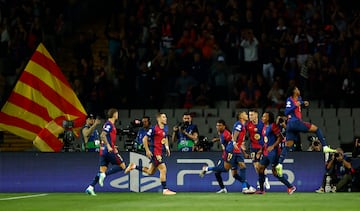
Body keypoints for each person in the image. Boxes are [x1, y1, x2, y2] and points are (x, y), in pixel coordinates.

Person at [276, 85, 336, 176]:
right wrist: (295, 106)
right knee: (316, 129)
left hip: (290, 126)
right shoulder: (290, 99)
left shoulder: (299, 98)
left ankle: (279, 164)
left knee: (288, 145)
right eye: (297, 89)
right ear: (294, 91)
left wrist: (303, 103)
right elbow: (286, 112)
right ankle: (325, 147)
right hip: (295, 123)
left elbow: (300, 102)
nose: (298, 90)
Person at [125, 112, 176, 195]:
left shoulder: (165, 128)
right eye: (163, 117)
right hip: (155, 153)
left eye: (165, 117)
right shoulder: (153, 129)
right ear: (158, 119)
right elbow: (144, 139)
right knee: (163, 169)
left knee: (150, 172)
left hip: (160, 151)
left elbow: (165, 137)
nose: (165, 118)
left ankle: (134, 166)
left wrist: (167, 148)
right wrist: (147, 150)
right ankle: (165, 190)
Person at [85, 108, 127, 196]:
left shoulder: (108, 124)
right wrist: (109, 146)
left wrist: (111, 144)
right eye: (117, 113)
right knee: (123, 166)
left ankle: (90, 187)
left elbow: (107, 137)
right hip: (108, 150)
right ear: (114, 114)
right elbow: (102, 135)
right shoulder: (109, 124)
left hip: (103, 151)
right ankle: (104, 175)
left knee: (101, 171)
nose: (117, 115)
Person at [256, 111, 297, 194]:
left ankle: (291, 187)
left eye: (264, 116)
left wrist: (273, 146)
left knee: (275, 173)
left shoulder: (273, 126)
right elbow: (266, 140)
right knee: (260, 168)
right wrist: (261, 150)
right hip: (266, 152)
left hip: (273, 153)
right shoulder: (264, 127)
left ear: (268, 118)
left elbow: (280, 137)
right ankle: (261, 190)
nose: (262, 118)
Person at [199, 119, 231, 193]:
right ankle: (223, 188)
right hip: (224, 154)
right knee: (217, 172)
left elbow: (231, 142)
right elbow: (222, 139)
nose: (217, 127)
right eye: (217, 125)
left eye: (219, 125)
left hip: (230, 154)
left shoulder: (227, 134)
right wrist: (216, 139)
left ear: (224, 126)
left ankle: (207, 168)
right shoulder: (221, 133)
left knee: (225, 169)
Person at [246, 109, 270, 190]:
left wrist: (262, 149)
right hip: (253, 147)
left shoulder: (262, 124)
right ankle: (263, 179)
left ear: (256, 115)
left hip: (263, 147)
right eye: (249, 115)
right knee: (256, 166)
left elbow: (266, 136)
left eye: (252, 115)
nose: (250, 117)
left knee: (262, 166)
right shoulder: (248, 125)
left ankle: (264, 179)